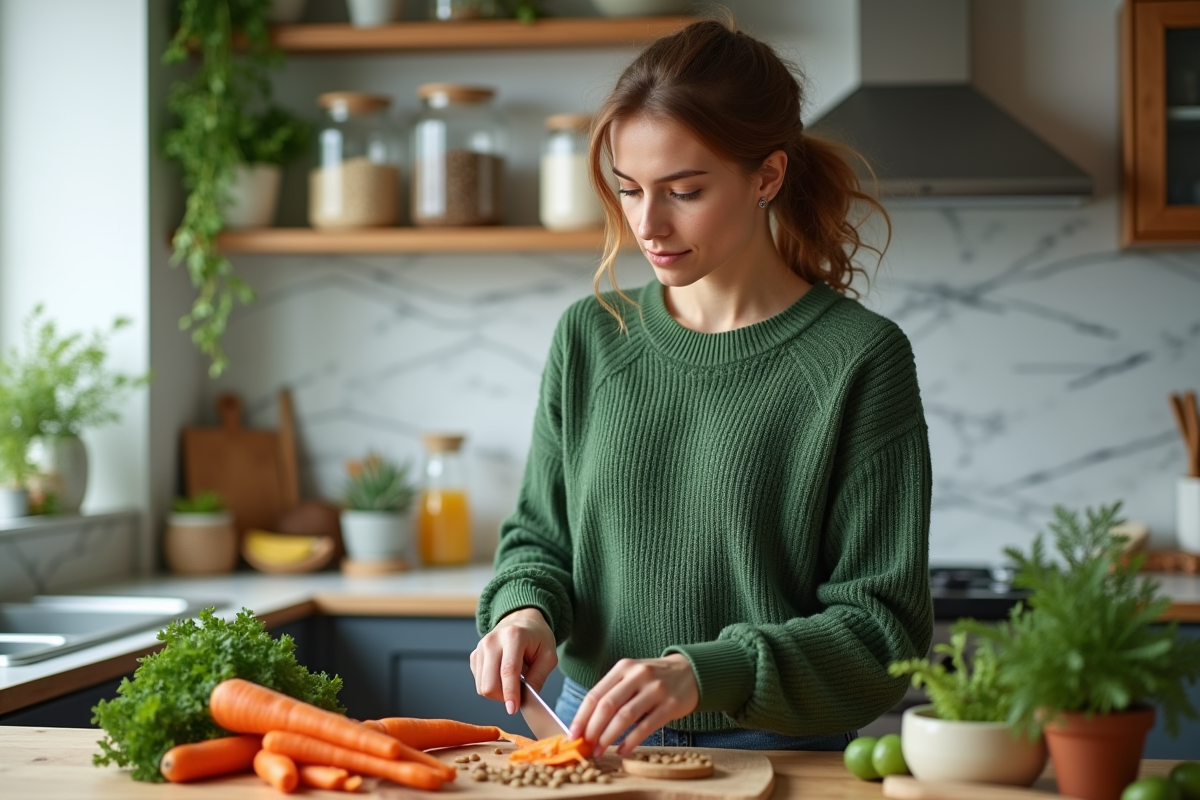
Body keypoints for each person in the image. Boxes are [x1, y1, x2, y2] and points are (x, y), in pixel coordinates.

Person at [470, 17, 933, 755]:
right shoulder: (589, 338)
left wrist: (703, 673)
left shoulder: (860, 359)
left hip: (776, 746)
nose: (647, 224)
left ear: (767, 177)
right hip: (587, 733)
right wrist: (524, 612)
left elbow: (883, 633)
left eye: (683, 191)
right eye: (629, 189)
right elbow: (539, 541)